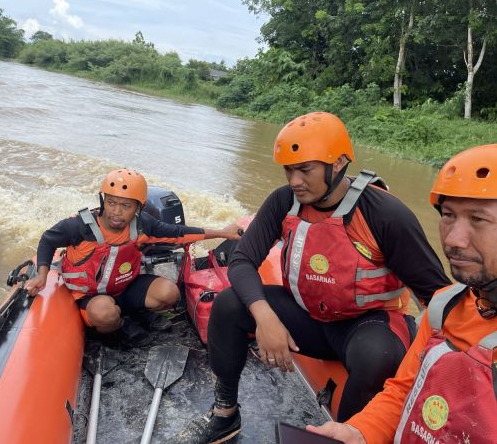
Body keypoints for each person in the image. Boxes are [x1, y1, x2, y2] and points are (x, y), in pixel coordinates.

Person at [172, 111, 451, 443]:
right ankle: (224, 413)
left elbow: (438, 296)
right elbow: (243, 260)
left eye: (304, 170)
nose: (294, 181)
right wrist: (265, 318)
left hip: (366, 324)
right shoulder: (284, 202)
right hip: (308, 315)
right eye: (289, 170)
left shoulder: (384, 214)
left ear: (337, 164)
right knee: (230, 305)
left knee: (378, 357)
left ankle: (342, 435)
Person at [308, 143, 497, 443]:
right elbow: (403, 391)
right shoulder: (445, 306)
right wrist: (359, 431)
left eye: (478, 219)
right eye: (448, 215)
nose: (455, 240)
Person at [25, 168, 242, 344]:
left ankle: (134, 313)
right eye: (111, 203)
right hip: (90, 295)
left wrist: (223, 233)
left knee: (170, 293)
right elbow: (47, 240)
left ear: (139, 207)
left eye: (126, 206)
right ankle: (120, 327)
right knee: (103, 313)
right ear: (103, 201)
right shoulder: (78, 227)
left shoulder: (143, 224)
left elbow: (178, 233)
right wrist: (42, 275)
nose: (116, 212)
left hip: (125, 288)